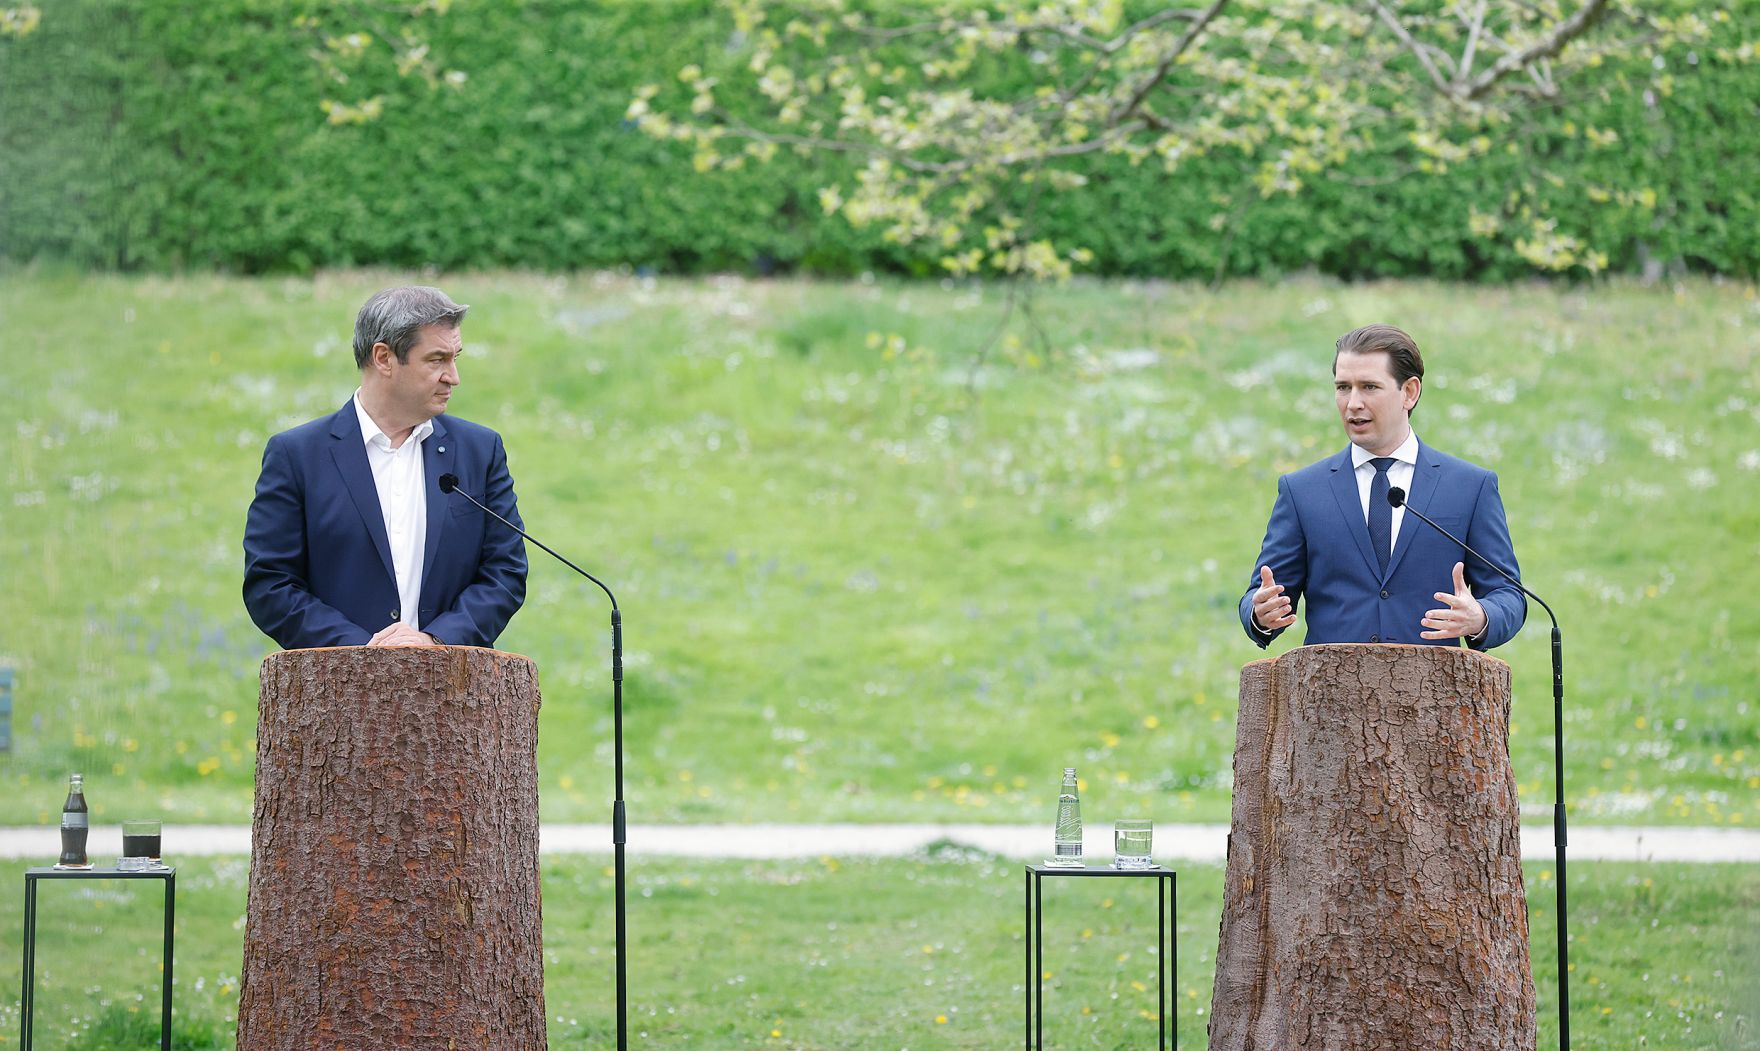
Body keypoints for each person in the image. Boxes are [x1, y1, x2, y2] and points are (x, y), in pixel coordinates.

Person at [244, 286, 526, 650]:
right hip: (337, 691)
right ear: (383, 358)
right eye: (437, 360)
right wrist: (365, 651)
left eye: (455, 358)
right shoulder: (297, 455)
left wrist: (436, 640)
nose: (453, 376)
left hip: (453, 690)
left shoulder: (480, 450)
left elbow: (505, 572)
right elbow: (270, 585)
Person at [1240, 324, 1525, 650]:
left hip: (1435, 694)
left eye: (1369, 387)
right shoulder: (1301, 491)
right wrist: (1259, 613)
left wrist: (1481, 617)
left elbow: (1509, 594)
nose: (1353, 403)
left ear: (1409, 392)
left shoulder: (1470, 488)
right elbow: (1261, 595)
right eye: (1343, 387)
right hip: (1329, 695)